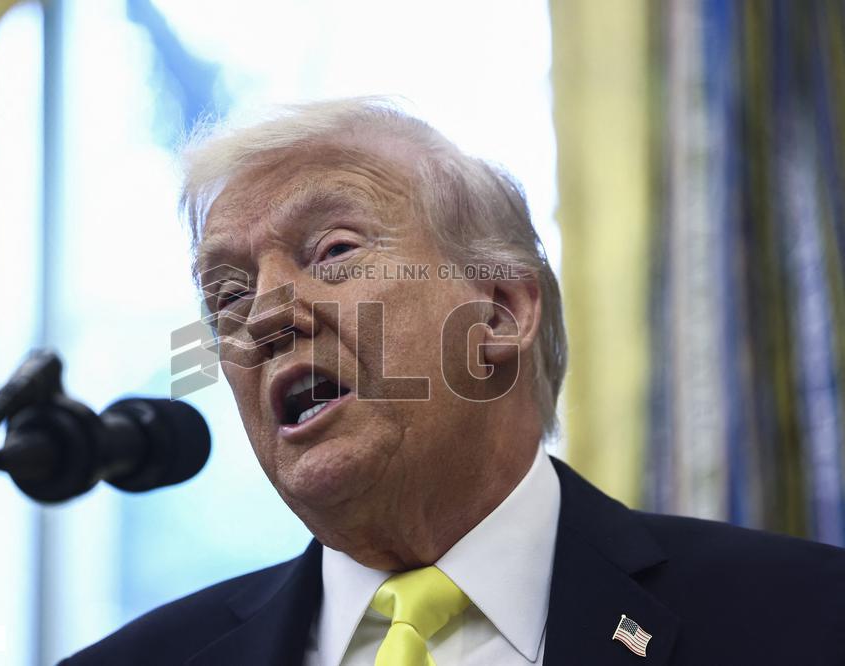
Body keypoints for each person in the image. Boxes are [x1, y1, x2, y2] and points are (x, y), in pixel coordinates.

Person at [60, 98, 845, 665]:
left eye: (332, 250)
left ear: (499, 312)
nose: (262, 316)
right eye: (226, 295)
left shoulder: (809, 620)